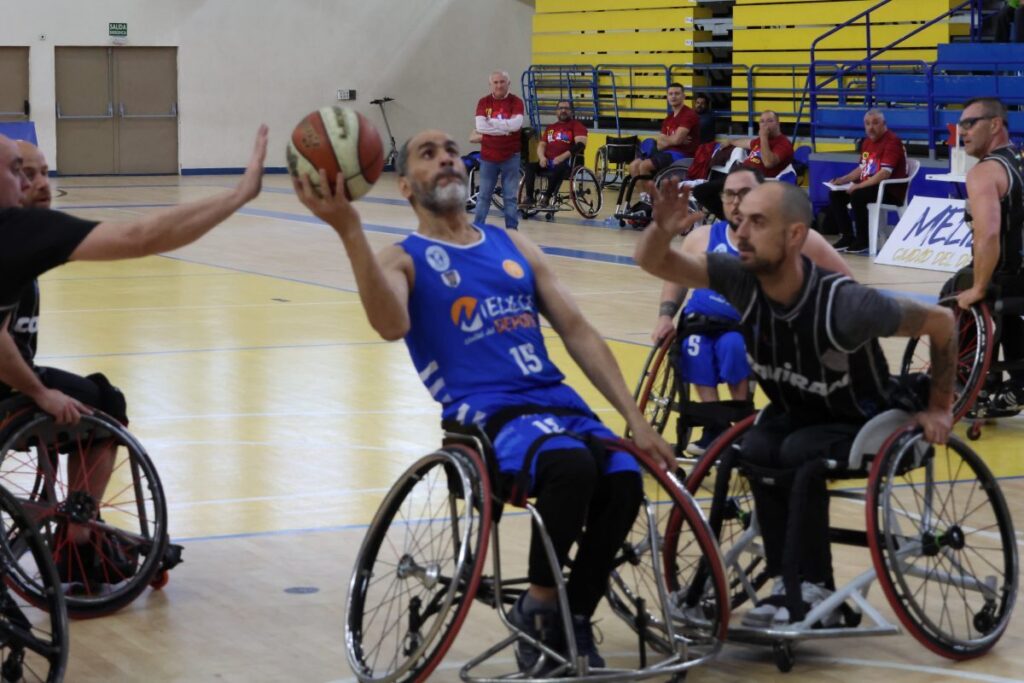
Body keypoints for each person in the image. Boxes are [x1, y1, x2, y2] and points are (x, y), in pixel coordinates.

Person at [292, 128, 674, 673]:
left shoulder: (512, 244)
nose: (446, 158)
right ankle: (540, 606)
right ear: (405, 186)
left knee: (621, 479)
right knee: (570, 468)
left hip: (556, 402)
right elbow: (389, 323)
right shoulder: (403, 258)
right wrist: (350, 229)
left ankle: (573, 614)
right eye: (428, 154)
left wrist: (635, 419)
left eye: (450, 151)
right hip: (486, 415)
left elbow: (578, 329)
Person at [636, 180, 955, 627]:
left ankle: (813, 586)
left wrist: (940, 407)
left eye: (758, 222)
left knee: (794, 453)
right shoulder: (740, 279)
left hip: (863, 418)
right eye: (741, 219)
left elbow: (942, 322)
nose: (742, 231)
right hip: (797, 412)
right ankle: (758, 582)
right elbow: (653, 261)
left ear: (795, 236)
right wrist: (659, 229)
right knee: (753, 450)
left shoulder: (845, 304)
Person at [0, 126, 268, 427]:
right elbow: (139, 236)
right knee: (106, 404)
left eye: (42, 173)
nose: (30, 183)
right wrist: (238, 196)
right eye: (18, 171)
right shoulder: (15, 232)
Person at [652, 167, 853, 456]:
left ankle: (742, 425)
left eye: (743, 194)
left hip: (747, 327)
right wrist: (664, 316)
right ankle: (714, 427)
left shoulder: (783, 240)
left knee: (734, 347)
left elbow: (840, 281)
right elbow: (675, 277)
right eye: (729, 194)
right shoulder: (703, 236)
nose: (735, 201)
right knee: (693, 348)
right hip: (699, 322)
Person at [949, 97, 1024, 411]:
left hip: (1008, 271)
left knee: (960, 289)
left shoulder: (984, 172)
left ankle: (972, 385)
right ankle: (1016, 384)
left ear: (995, 125)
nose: (962, 131)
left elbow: (989, 233)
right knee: (1005, 305)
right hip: (1020, 274)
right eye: (960, 125)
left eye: (970, 123)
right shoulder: (1019, 159)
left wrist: (978, 287)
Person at [827, 109, 908, 253]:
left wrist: (858, 186)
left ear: (884, 124)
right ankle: (847, 236)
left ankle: (863, 240)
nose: (871, 127)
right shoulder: (866, 142)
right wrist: (842, 180)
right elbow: (862, 168)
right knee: (836, 195)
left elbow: (884, 174)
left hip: (890, 190)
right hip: (872, 186)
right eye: (867, 124)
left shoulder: (892, 142)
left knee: (858, 195)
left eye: (875, 123)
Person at [692, 110, 794, 219]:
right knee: (701, 191)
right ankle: (729, 218)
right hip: (738, 176)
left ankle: (729, 220)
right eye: (762, 122)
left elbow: (768, 163)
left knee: (701, 192)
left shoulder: (783, 143)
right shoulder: (759, 141)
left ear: (778, 123)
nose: (765, 125)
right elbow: (746, 142)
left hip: (754, 183)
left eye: (770, 121)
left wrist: (763, 137)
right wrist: (730, 141)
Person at [473, 70, 525, 230]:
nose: (499, 85)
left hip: (511, 156)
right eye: (495, 82)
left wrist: (492, 123)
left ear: (508, 83)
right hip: (488, 157)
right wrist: (505, 129)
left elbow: (517, 125)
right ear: (490, 85)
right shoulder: (483, 102)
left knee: (510, 197)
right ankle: (478, 229)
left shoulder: (516, 102)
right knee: (483, 196)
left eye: (502, 82)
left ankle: (512, 230)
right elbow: (480, 127)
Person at [522, 100, 587, 208]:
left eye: (566, 108)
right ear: (556, 111)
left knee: (559, 166)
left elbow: (580, 145)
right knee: (530, 165)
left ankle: (547, 196)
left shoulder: (576, 125)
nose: (563, 110)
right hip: (548, 162)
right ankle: (529, 197)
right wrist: (542, 158)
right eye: (560, 108)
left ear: (571, 112)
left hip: (567, 163)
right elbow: (542, 145)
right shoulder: (550, 127)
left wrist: (561, 157)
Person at [628, 82, 700, 179]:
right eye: (670, 94)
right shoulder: (668, 118)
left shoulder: (688, 114)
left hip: (682, 155)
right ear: (667, 97)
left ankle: (652, 194)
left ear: (684, 96)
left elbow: (676, 140)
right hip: (666, 152)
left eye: (677, 93)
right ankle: (644, 194)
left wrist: (672, 140)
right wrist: (674, 140)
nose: (673, 96)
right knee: (633, 166)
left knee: (644, 166)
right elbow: (660, 143)